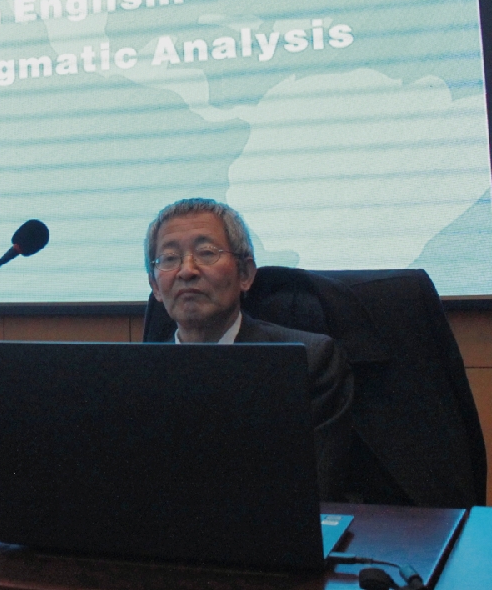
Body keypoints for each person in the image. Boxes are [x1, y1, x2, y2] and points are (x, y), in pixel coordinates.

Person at [145, 197, 354, 500]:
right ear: (155, 286)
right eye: (169, 258)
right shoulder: (140, 376)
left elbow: (317, 488)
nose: (187, 271)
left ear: (245, 274)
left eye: (206, 253)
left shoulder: (309, 360)